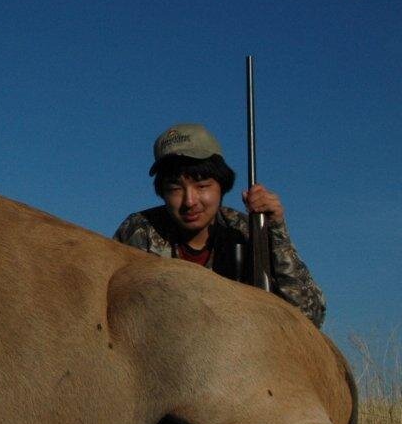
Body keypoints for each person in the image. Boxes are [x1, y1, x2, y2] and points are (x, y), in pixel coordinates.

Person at [114, 123, 326, 326]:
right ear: (162, 192)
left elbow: (310, 316)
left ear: (222, 187)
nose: (190, 201)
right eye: (175, 188)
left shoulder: (245, 231)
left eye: (202, 185)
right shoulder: (137, 231)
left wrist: (276, 230)